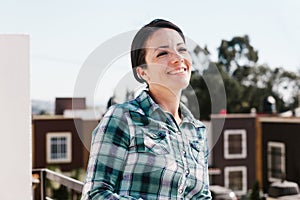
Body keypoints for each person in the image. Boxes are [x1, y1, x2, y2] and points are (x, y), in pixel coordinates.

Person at [81, 19, 212, 199]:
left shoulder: (197, 131)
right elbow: (95, 195)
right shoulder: (123, 118)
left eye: (182, 49)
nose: (178, 58)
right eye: (163, 53)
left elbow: (202, 197)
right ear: (143, 72)